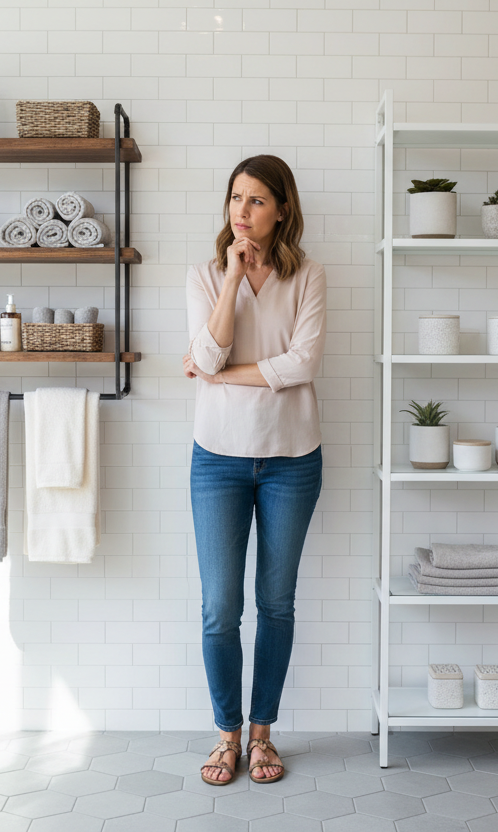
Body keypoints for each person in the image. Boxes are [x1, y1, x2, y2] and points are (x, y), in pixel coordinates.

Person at [183, 155, 327, 785]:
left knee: (276, 603)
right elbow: (210, 346)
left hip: (292, 459)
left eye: (257, 201)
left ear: (282, 210)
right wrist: (232, 281)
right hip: (217, 457)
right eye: (235, 198)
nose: (242, 211)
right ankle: (226, 736)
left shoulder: (310, 276)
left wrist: (218, 375)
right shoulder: (204, 275)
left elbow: (303, 365)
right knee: (220, 608)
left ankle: (264, 736)